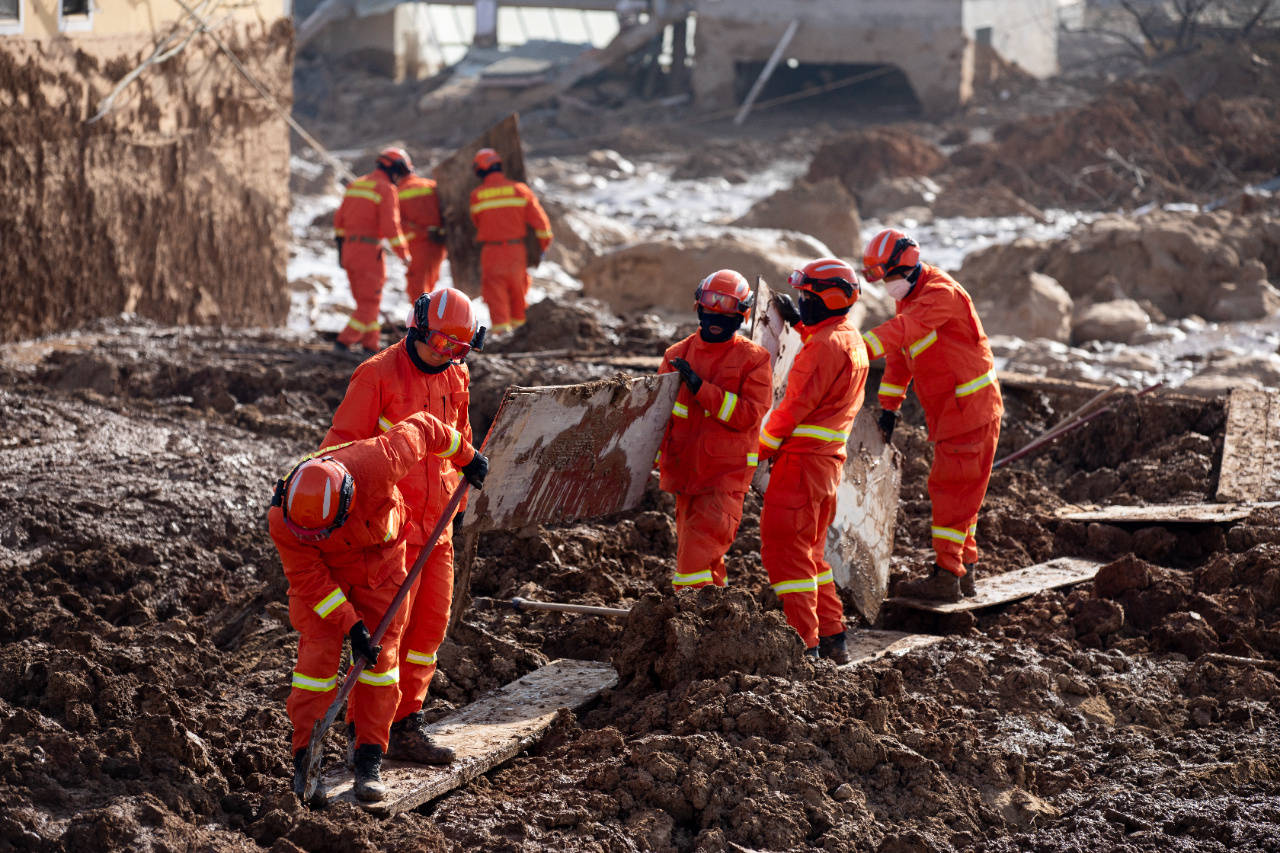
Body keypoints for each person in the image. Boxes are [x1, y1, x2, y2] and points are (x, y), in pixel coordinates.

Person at [270, 409, 487, 803]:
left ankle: (368, 759)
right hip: (327, 578)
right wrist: (352, 626)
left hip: (382, 568)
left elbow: (427, 425)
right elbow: (309, 580)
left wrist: (467, 457)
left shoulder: (381, 458)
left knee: (380, 665)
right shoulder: (284, 519)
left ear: (348, 500)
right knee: (315, 668)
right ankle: (306, 761)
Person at [321, 287, 486, 768]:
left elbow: (461, 440)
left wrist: (468, 472)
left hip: (439, 530)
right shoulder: (375, 375)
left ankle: (406, 724)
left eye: (458, 347)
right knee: (385, 638)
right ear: (417, 325)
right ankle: (366, 739)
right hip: (389, 534)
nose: (446, 352)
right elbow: (343, 452)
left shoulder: (457, 375)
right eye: (440, 340)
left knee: (428, 633)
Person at [859, 228, 1003, 602]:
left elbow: (902, 332)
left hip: (968, 412)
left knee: (951, 492)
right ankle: (963, 571)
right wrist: (889, 408)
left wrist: (851, 350)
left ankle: (946, 576)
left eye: (888, 276)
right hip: (956, 412)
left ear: (904, 267)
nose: (886, 286)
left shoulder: (941, 294)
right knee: (963, 493)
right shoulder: (911, 295)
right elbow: (900, 355)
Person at [759, 258, 868, 664]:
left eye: (807, 296)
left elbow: (789, 411)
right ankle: (833, 635)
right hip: (826, 469)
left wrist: (756, 450)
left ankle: (805, 645)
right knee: (812, 555)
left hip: (800, 467)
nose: (802, 300)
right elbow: (828, 354)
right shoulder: (850, 339)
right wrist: (799, 323)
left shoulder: (821, 348)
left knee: (786, 552)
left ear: (827, 299)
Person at [657, 270, 772, 590]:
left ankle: (687, 622)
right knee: (704, 560)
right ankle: (715, 623)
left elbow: (749, 415)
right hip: (683, 475)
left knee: (692, 562)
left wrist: (699, 387)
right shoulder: (676, 355)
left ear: (742, 315)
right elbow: (657, 418)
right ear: (698, 307)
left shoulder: (754, 360)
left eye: (727, 311)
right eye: (711, 308)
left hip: (724, 479)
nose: (717, 316)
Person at [332, 147, 414, 356]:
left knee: (366, 302)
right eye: (399, 173)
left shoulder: (355, 184)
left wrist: (342, 250)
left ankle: (370, 344)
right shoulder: (385, 189)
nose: (399, 178)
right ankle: (343, 342)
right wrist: (404, 254)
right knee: (369, 303)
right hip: (369, 253)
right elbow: (391, 228)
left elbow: (339, 221)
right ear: (393, 169)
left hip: (350, 250)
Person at [468, 148, 553, 336]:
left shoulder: (477, 195)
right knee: (519, 296)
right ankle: (521, 335)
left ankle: (503, 338)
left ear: (480, 169)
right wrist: (541, 249)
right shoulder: (520, 190)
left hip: (491, 253)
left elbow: (476, 222)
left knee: (496, 298)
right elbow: (543, 227)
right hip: (517, 252)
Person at [397, 159, 448, 303]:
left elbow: (398, 224)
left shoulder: (398, 194)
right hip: (439, 244)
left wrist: (424, 232)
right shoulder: (432, 186)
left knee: (417, 290)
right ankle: (429, 320)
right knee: (430, 286)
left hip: (418, 245)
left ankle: (422, 324)